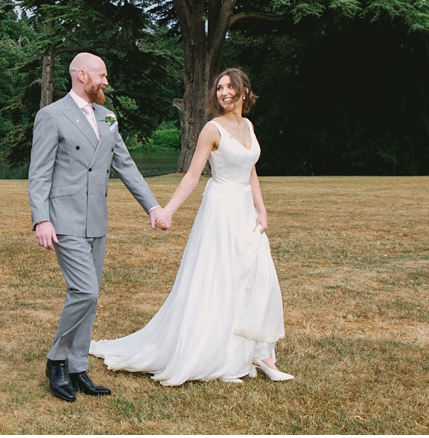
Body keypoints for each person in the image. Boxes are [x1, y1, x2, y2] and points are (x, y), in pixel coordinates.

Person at [89, 68, 294, 386]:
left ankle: (260, 353)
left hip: (245, 210)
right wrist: (166, 211)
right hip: (221, 208)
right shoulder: (212, 129)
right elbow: (191, 175)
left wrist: (262, 211)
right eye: (219, 88)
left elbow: (250, 171)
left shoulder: (249, 126)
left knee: (255, 277)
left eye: (229, 87)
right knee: (221, 279)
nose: (223, 92)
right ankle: (222, 354)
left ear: (243, 90)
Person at [29, 52, 172, 402]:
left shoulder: (108, 118)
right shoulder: (51, 116)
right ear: (82, 75)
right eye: (102, 75)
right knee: (85, 291)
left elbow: (125, 165)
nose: (106, 81)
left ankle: (78, 368)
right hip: (64, 220)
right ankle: (57, 360)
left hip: (97, 220)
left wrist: (152, 206)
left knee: (89, 298)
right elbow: (39, 172)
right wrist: (41, 218)